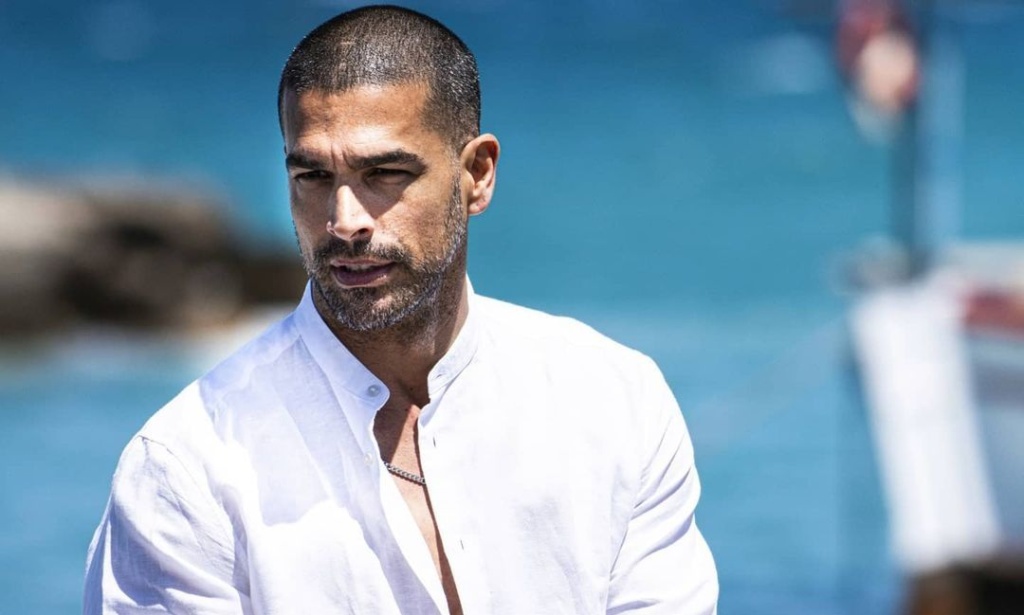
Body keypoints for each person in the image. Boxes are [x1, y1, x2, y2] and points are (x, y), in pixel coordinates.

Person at [83, 5, 718, 614]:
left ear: (477, 174)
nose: (344, 221)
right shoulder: (186, 467)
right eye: (312, 177)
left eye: (385, 172)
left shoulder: (612, 400)